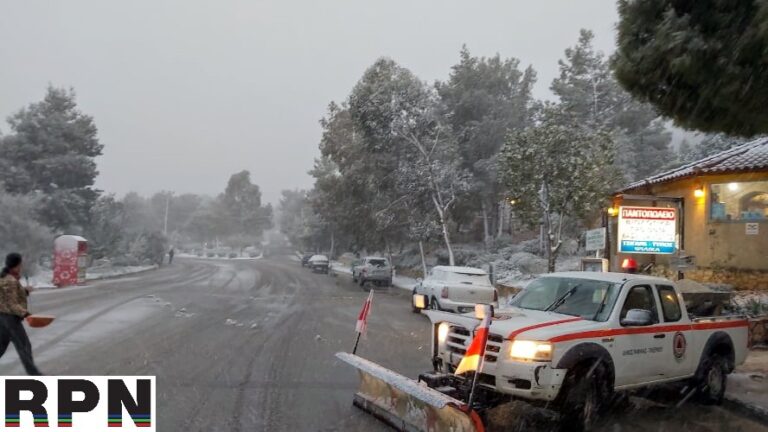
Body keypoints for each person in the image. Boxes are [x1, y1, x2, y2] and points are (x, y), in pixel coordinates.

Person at [0, 253, 42, 375]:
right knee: (24, 346)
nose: (21, 267)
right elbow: (11, 303)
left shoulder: (5, 277)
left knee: (1, 346)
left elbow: (6, 297)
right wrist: (26, 314)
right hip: (9, 318)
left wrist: (24, 291)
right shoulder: (10, 281)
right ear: (16, 265)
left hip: (2, 317)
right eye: (20, 264)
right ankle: (34, 375)